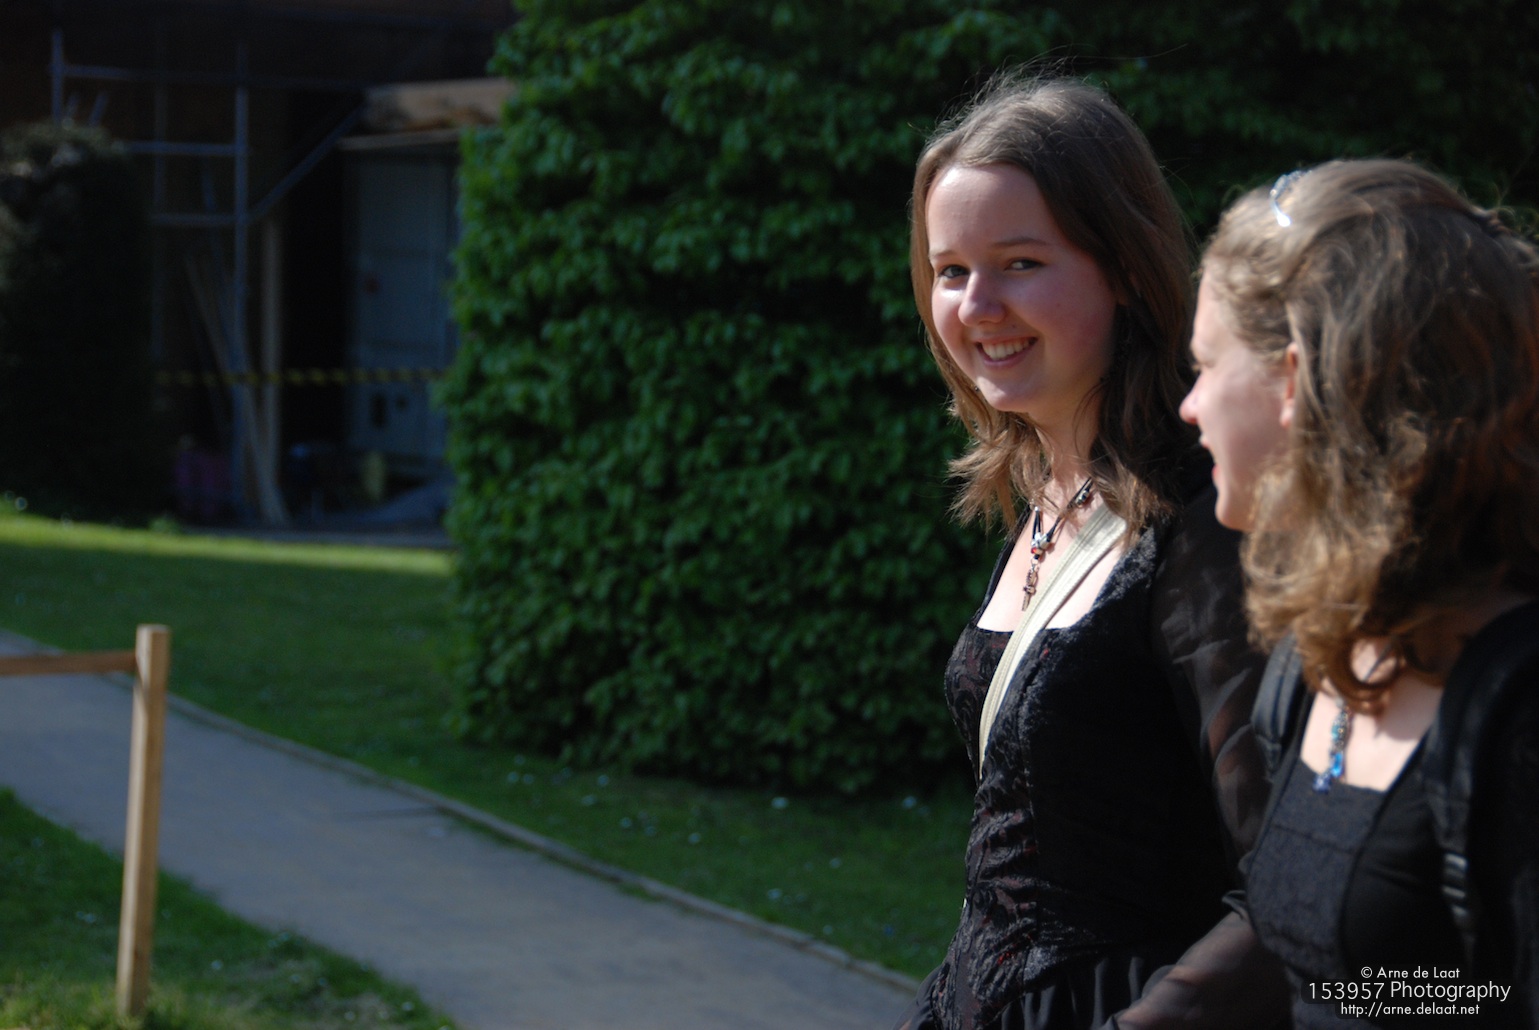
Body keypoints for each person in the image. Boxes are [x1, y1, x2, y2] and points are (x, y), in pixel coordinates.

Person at [892, 73, 1286, 1030]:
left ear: (1123, 268)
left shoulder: (1201, 520)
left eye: (1020, 263)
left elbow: (1284, 880)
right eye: (950, 271)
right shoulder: (1047, 492)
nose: (977, 305)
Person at [1181, 158, 1539, 1027]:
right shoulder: (1319, 655)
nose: (1188, 406)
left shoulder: (1517, 713)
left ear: (1295, 378)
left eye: (1204, 365)